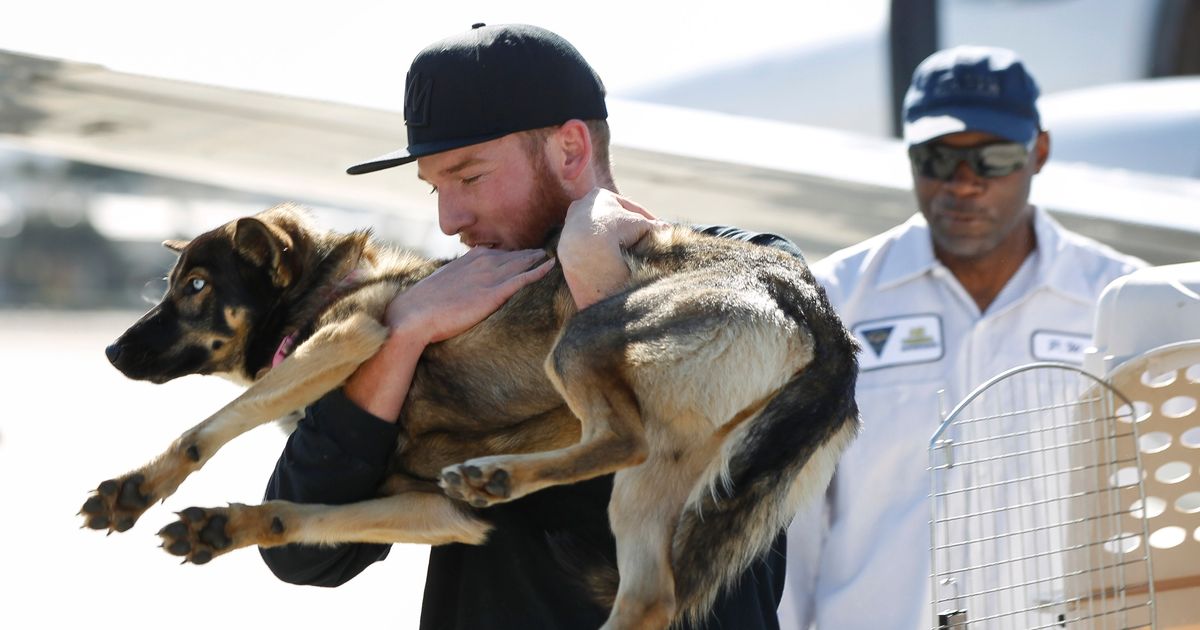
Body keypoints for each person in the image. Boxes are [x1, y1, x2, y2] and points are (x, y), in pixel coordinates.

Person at [259, 23, 798, 629]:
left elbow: (687, 430)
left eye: (469, 177)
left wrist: (596, 268)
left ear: (570, 150)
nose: (447, 219)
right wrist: (402, 333)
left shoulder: (745, 268)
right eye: (435, 187)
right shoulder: (444, 309)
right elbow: (301, 555)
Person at [779, 46, 1145, 629]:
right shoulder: (832, 299)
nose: (964, 184)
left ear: (1039, 152)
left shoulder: (1121, 302)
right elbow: (789, 522)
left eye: (994, 158)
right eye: (937, 158)